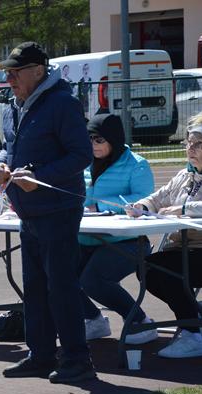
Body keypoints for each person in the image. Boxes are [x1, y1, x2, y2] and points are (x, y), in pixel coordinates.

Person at [0, 42, 96, 383]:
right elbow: (9, 145)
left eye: (15, 72)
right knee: (34, 288)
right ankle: (40, 355)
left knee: (61, 287)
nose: (9, 78)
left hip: (58, 209)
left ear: (38, 71)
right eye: (7, 72)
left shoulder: (62, 104)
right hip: (28, 212)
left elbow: (81, 155)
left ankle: (78, 360)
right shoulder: (14, 106)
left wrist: (40, 178)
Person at [126, 110, 202, 358]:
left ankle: (193, 337)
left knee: (168, 271)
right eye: (189, 142)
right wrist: (142, 207)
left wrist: (186, 208)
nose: (191, 148)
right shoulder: (184, 175)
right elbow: (158, 197)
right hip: (181, 247)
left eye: (200, 144)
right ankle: (195, 315)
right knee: (147, 268)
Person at [79, 113, 157, 345]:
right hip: (85, 239)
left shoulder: (137, 164)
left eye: (99, 140)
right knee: (55, 273)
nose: (93, 145)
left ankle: (141, 321)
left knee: (92, 279)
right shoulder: (82, 162)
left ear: (113, 138)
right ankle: (94, 320)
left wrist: (101, 206)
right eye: (89, 139)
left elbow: (144, 200)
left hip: (128, 242)